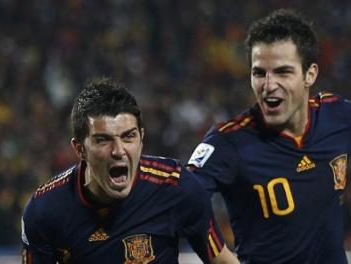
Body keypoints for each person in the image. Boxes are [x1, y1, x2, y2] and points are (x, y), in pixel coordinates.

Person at [187, 9, 351, 264]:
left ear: (310, 74)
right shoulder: (229, 141)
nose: (268, 85)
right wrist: (221, 259)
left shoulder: (338, 117)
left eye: (282, 72)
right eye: (259, 73)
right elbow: (183, 196)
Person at [21, 78, 239, 264]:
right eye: (103, 140)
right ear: (80, 149)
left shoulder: (176, 186)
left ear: (141, 138)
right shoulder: (45, 210)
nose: (118, 151)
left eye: (128, 136)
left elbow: (222, 260)